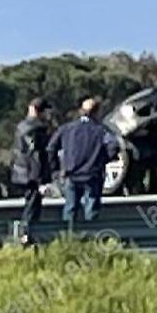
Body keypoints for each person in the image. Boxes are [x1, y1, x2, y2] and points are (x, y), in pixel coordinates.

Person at [47, 96, 120, 225]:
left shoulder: (67, 129)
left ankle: (69, 239)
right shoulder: (101, 130)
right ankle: (91, 239)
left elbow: (51, 148)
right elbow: (114, 146)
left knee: (70, 209)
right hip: (92, 175)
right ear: (97, 112)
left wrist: (56, 170)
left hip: (71, 174)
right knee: (91, 211)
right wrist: (102, 160)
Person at [11, 97, 53, 244]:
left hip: (21, 171)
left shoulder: (21, 126)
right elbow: (36, 155)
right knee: (32, 206)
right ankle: (26, 235)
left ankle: (25, 234)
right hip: (32, 175)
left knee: (30, 203)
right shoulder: (36, 130)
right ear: (38, 111)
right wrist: (40, 180)